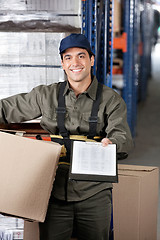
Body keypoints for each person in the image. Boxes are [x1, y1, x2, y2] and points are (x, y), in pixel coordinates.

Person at [0, 33, 133, 240]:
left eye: (81, 56)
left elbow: (122, 136)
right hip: (53, 191)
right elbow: (7, 109)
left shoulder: (111, 100)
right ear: (62, 64)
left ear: (91, 60)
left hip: (94, 193)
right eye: (68, 58)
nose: (75, 63)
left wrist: (113, 142)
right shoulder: (46, 95)